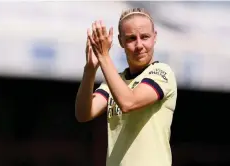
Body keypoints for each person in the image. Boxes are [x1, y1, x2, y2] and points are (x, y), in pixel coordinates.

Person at [75, 8, 177, 166]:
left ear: (154, 37)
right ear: (120, 41)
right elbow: (84, 114)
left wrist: (103, 56)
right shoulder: (115, 81)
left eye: (145, 37)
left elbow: (128, 103)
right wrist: (90, 70)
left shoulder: (162, 73)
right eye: (131, 38)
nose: (139, 45)